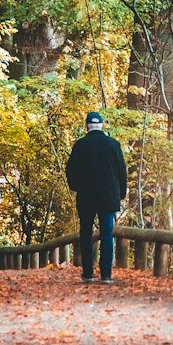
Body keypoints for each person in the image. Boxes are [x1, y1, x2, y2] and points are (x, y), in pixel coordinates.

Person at [64, 110, 127, 284]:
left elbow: (71, 170)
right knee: (107, 234)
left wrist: (75, 187)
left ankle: (88, 272)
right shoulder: (113, 144)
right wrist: (121, 193)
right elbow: (122, 171)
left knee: (86, 234)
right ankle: (106, 274)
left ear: (86, 126)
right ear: (102, 125)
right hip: (108, 197)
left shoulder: (80, 145)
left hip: (86, 197)